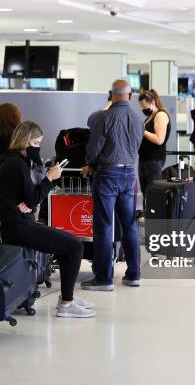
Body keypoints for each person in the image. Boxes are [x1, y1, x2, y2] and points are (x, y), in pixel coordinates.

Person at [0, 121, 95, 318]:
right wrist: (49, 178)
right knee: (75, 247)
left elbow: (28, 199)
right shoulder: (16, 164)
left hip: (17, 222)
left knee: (70, 245)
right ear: (25, 141)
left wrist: (29, 200)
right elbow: (32, 198)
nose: (38, 147)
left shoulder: (10, 160)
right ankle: (67, 303)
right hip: (17, 226)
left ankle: (68, 297)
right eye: (36, 143)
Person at [82, 79, 144, 290]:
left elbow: (94, 148)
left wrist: (90, 163)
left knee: (104, 225)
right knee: (129, 224)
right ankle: (134, 274)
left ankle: (104, 279)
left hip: (107, 174)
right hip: (129, 175)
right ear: (131, 95)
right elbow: (136, 146)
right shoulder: (138, 119)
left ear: (110, 94)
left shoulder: (104, 117)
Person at [138, 89, 171, 214]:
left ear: (153, 102)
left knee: (154, 192)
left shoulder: (160, 115)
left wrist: (142, 130)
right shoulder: (150, 116)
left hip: (154, 159)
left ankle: (155, 220)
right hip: (144, 158)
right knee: (146, 191)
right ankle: (147, 217)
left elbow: (159, 139)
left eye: (144, 106)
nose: (143, 109)